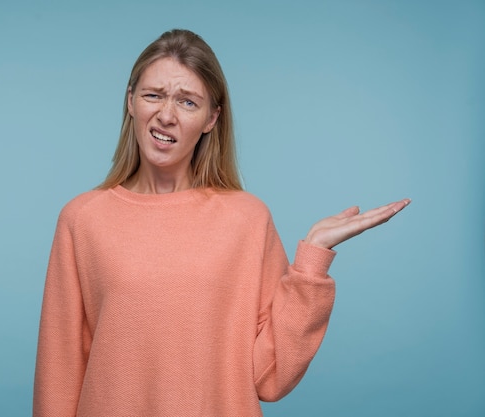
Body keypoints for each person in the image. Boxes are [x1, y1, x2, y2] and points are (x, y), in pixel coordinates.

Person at [33, 29, 410, 417]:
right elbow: (59, 372)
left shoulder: (247, 219)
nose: (166, 114)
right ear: (130, 100)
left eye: (188, 102)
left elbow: (271, 376)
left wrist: (312, 259)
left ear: (212, 118)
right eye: (153, 95)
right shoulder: (82, 219)